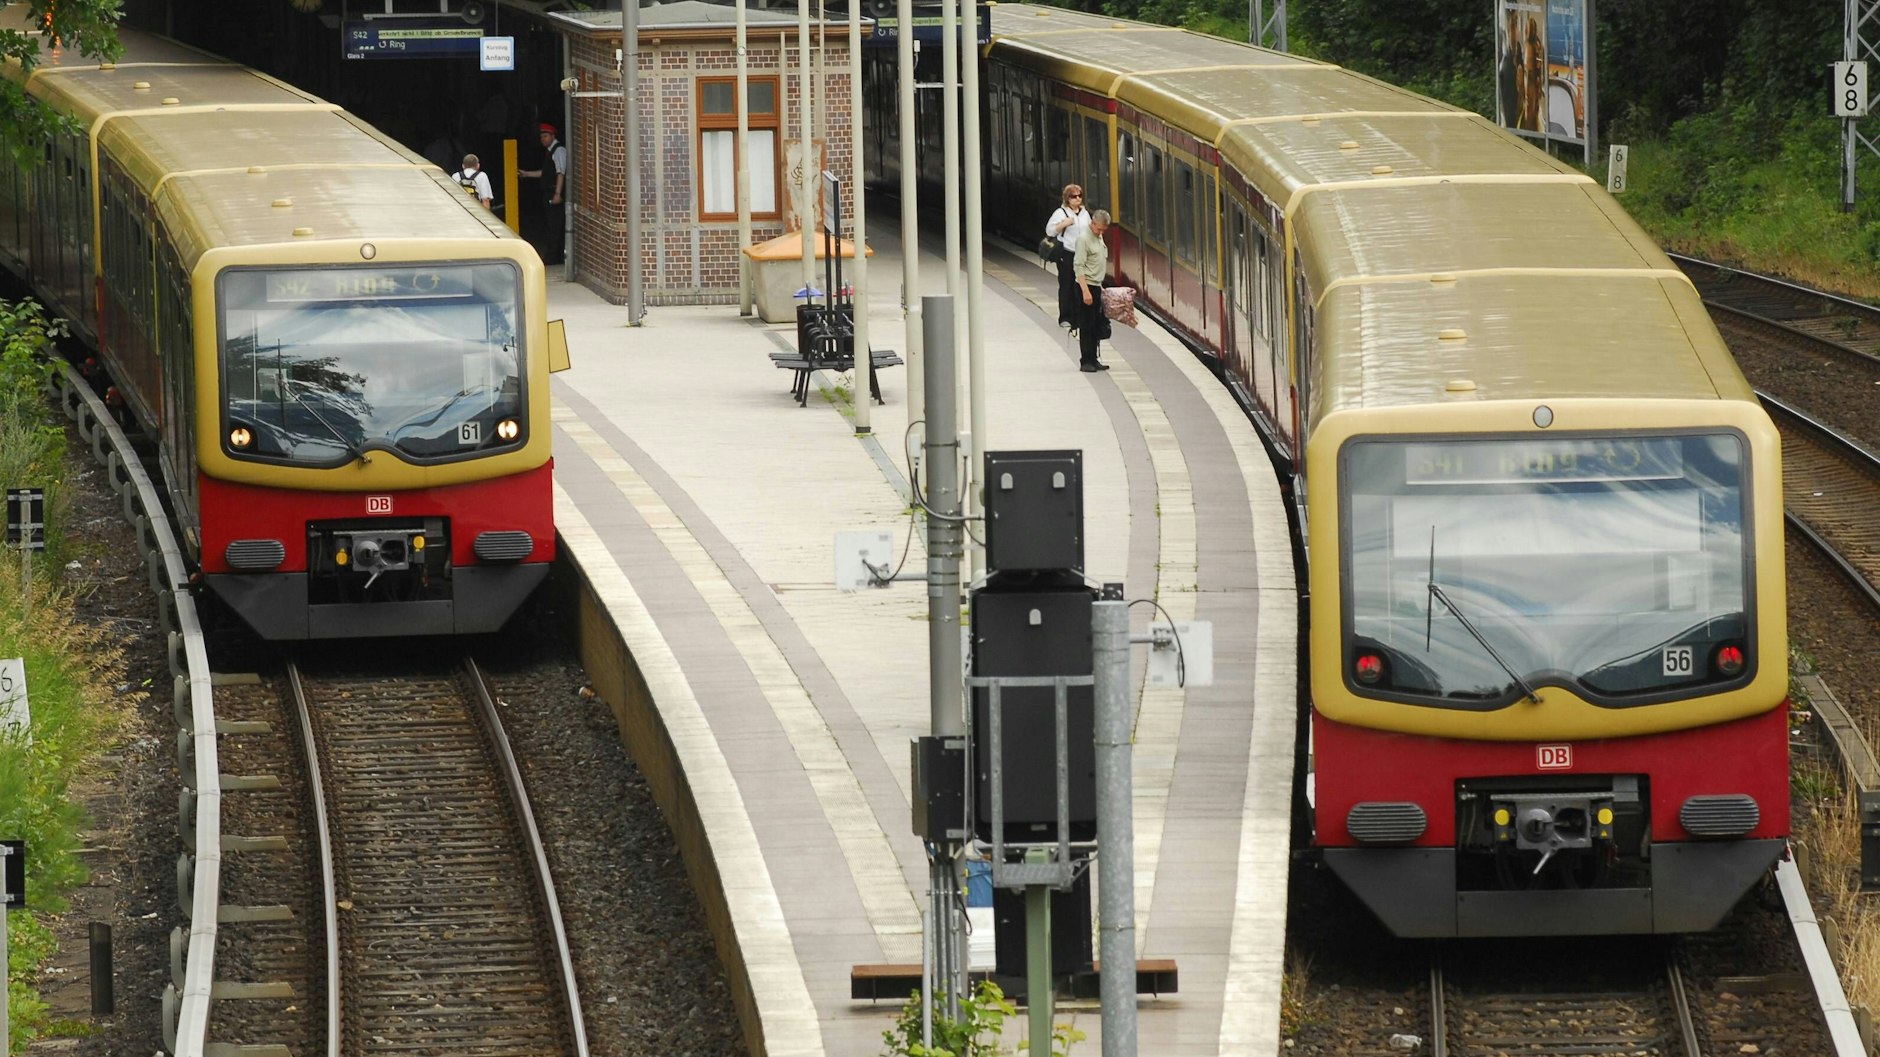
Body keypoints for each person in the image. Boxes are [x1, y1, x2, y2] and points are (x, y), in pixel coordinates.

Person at [520, 122, 568, 264]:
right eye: (541, 136)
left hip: (554, 192)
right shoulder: (550, 152)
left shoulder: (558, 151)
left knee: (555, 226)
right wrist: (527, 174)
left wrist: (558, 194)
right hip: (549, 191)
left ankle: (554, 257)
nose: (543, 139)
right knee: (551, 224)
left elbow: (561, 173)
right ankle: (554, 256)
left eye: (546, 136)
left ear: (553, 136)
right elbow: (547, 173)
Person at [1045, 184, 1090, 329]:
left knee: (1080, 285)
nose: (1077, 199)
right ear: (1067, 198)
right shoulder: (1060, 213)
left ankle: (1078, 317)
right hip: (1067, 253)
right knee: (1067, 285)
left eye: (1079, 196)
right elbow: (1050, 231)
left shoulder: (1084, 213)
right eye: (1073, 196)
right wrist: (1063, 225)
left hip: (1082, 255)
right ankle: (1065, 317)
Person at [1073, 209, 1112, 372]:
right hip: (1086, 286)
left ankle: (1094, 358)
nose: (1101, 232)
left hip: (1096, 285)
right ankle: (1085, 360)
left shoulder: (1098, 236)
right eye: (1099, 229)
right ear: (1092, 223)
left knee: (1096, 324)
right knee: (1087, 325)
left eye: (1104, 230)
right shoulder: (1083, 239)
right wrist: (1085, 291)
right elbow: (1079, 266)